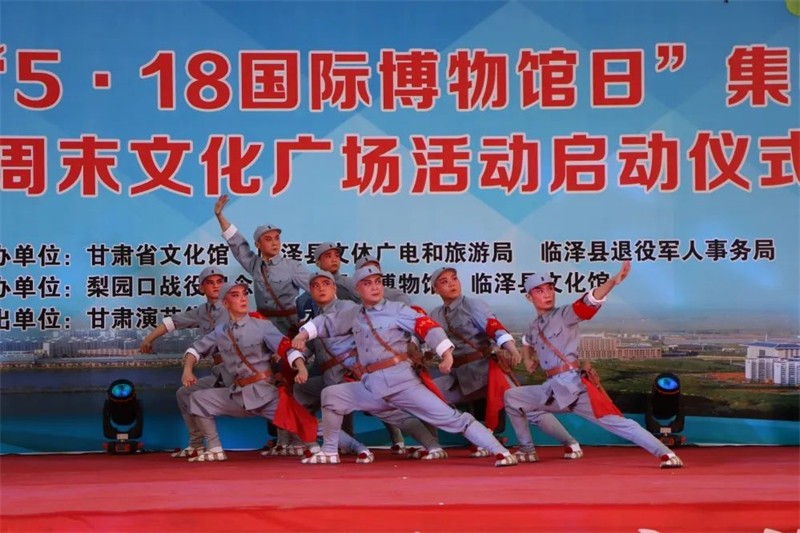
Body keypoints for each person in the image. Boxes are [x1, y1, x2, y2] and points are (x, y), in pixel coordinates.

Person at [292, 265, 518, 467]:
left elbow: (426, 327)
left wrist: (446, 353)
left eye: (378, 282)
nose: (375, 287)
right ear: (357, 289)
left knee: (452, 418)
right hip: (372, 386)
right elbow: (327, 322)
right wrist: (303, 334)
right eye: (367, 283)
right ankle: (330, 451)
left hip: (402, 383)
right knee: (331, 395)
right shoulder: (354, 314)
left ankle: (500, 451)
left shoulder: (397, 310)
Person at [504, 262, 684, 468]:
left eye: (550, 289)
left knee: (616, 423)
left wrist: (612, 282)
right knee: (513, 397)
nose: (547, 294)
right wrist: (528, 358)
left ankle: (666, 453)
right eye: (540, 291)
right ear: (529, 297)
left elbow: (590, 300)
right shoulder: (535, 325)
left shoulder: (565, 315)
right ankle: (529, 450)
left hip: (572, 387)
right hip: (552, 389)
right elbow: (527, 340)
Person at [429, 266, 583, 461]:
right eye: (444, 282)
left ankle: (570, 442)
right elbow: (431, 338)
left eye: (454, 278)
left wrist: (511, 349)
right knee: (429, 398)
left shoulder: (473, 305)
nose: (452, 284)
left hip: (486, 372)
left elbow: (494, 327)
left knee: (527, 407)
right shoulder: (436, 314)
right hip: (460, 376)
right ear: (435, 289)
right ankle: (470, 441)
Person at [293, 271, 447, 461]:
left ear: (334, 287)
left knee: (392, 412)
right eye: (315, 286)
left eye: (326, 283)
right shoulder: (315, 319)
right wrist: (299, 363)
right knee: (303, 391)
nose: (321, 289)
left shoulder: (349, 308)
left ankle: (432, 445)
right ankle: (322, 444)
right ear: (310, 291)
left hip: (358, 373)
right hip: (332, 378)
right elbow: (306, 347)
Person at [182, 281, 319, 462]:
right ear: (225, 303)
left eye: (244, 294)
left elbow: (287, 349)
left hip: (264, 395)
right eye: (235, 295)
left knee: (310, 427)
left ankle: (345, 445)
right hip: (238, 396)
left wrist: (301, 367)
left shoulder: (262, 326)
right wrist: (188, 369)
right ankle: (215, 448)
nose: (243, 299)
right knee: (198, 399)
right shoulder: (220, 332)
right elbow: (194, 350)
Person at [139, 266, 231, 459]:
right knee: (184, 393)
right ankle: (196, 444)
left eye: (219, 282)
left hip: (236, 370)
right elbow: (172, 322)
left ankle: (215, 447)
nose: (216, 286)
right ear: (201, 288)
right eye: (210, 283)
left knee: (199, 397)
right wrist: (149, 339)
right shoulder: (202, 311)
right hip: (219, 370)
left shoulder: (231, 307)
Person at [214, 194, 310, 335]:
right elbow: (237, 243)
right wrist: (219, 216)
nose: (274, 243)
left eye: (277, 238)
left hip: (288, 327)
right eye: (268, 239)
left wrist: (307, 318)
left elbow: (317, 290)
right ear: (258, 244)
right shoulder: (255, 265)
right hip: (261, 326)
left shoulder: (293, 267)